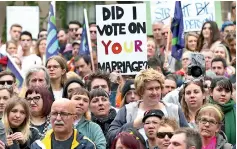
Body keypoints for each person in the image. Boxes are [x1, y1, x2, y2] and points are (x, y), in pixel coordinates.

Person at [107, 69, 189, 146]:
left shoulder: (174, 110)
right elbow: (111, 136)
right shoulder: (128, 110)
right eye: (150, 89)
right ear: (141, 91)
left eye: (157, 88)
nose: (155, 92)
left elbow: (189, 137)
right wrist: (134, 125)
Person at [31, 99, 96, 149]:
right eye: (54, 114)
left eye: (64, 114)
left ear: (74, 118)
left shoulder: (86, 145)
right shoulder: (38, 145)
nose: (58, 118)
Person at [209, 77, 236, 144]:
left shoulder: (235, 111)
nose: (223, 94)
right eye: (219, 90)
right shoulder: (204, 111)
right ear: (211, 92)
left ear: (231, 94)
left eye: (227, 91)